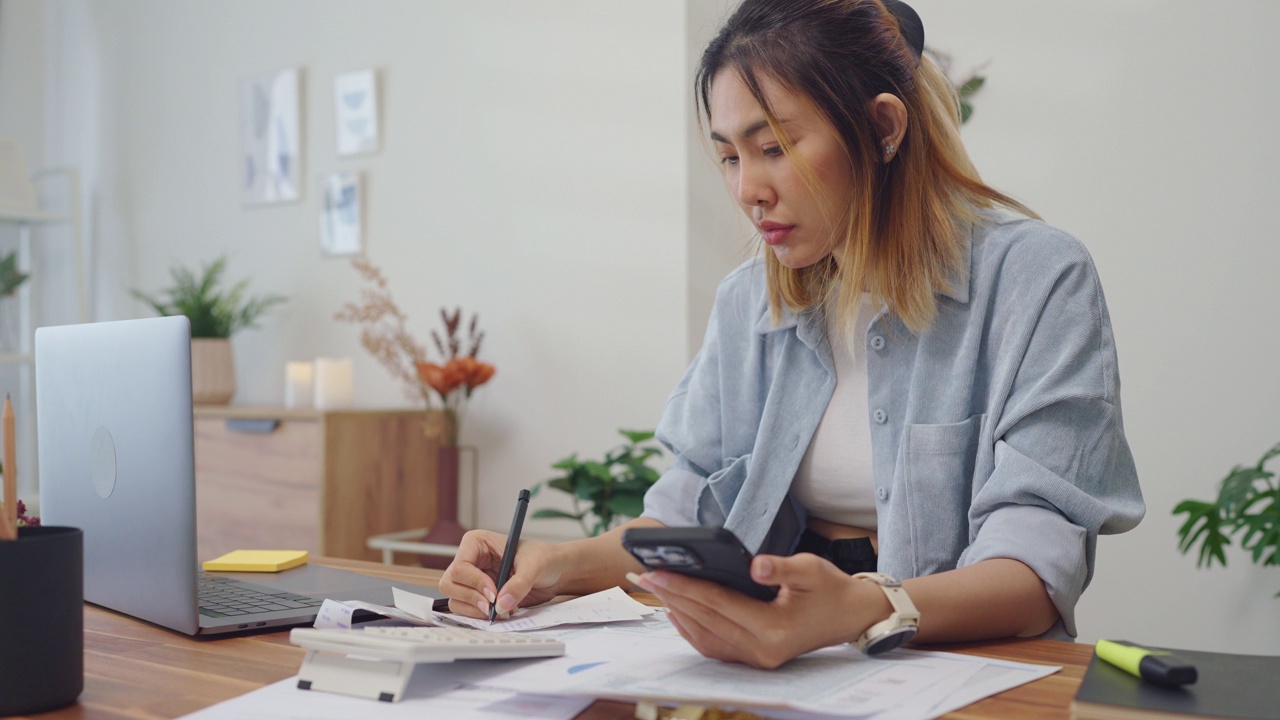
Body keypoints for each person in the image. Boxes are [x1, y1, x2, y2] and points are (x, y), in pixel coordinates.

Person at [441, 0, 1144, 669]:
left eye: (773, 146)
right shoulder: (748, 301)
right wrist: (552, 564)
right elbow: (682, 523)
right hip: (777, 663)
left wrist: (862, 608)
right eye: (728, 156)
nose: (748, 188)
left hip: (960, 673)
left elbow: (1032, 575)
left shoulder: (1036, 279)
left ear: (883, 128)